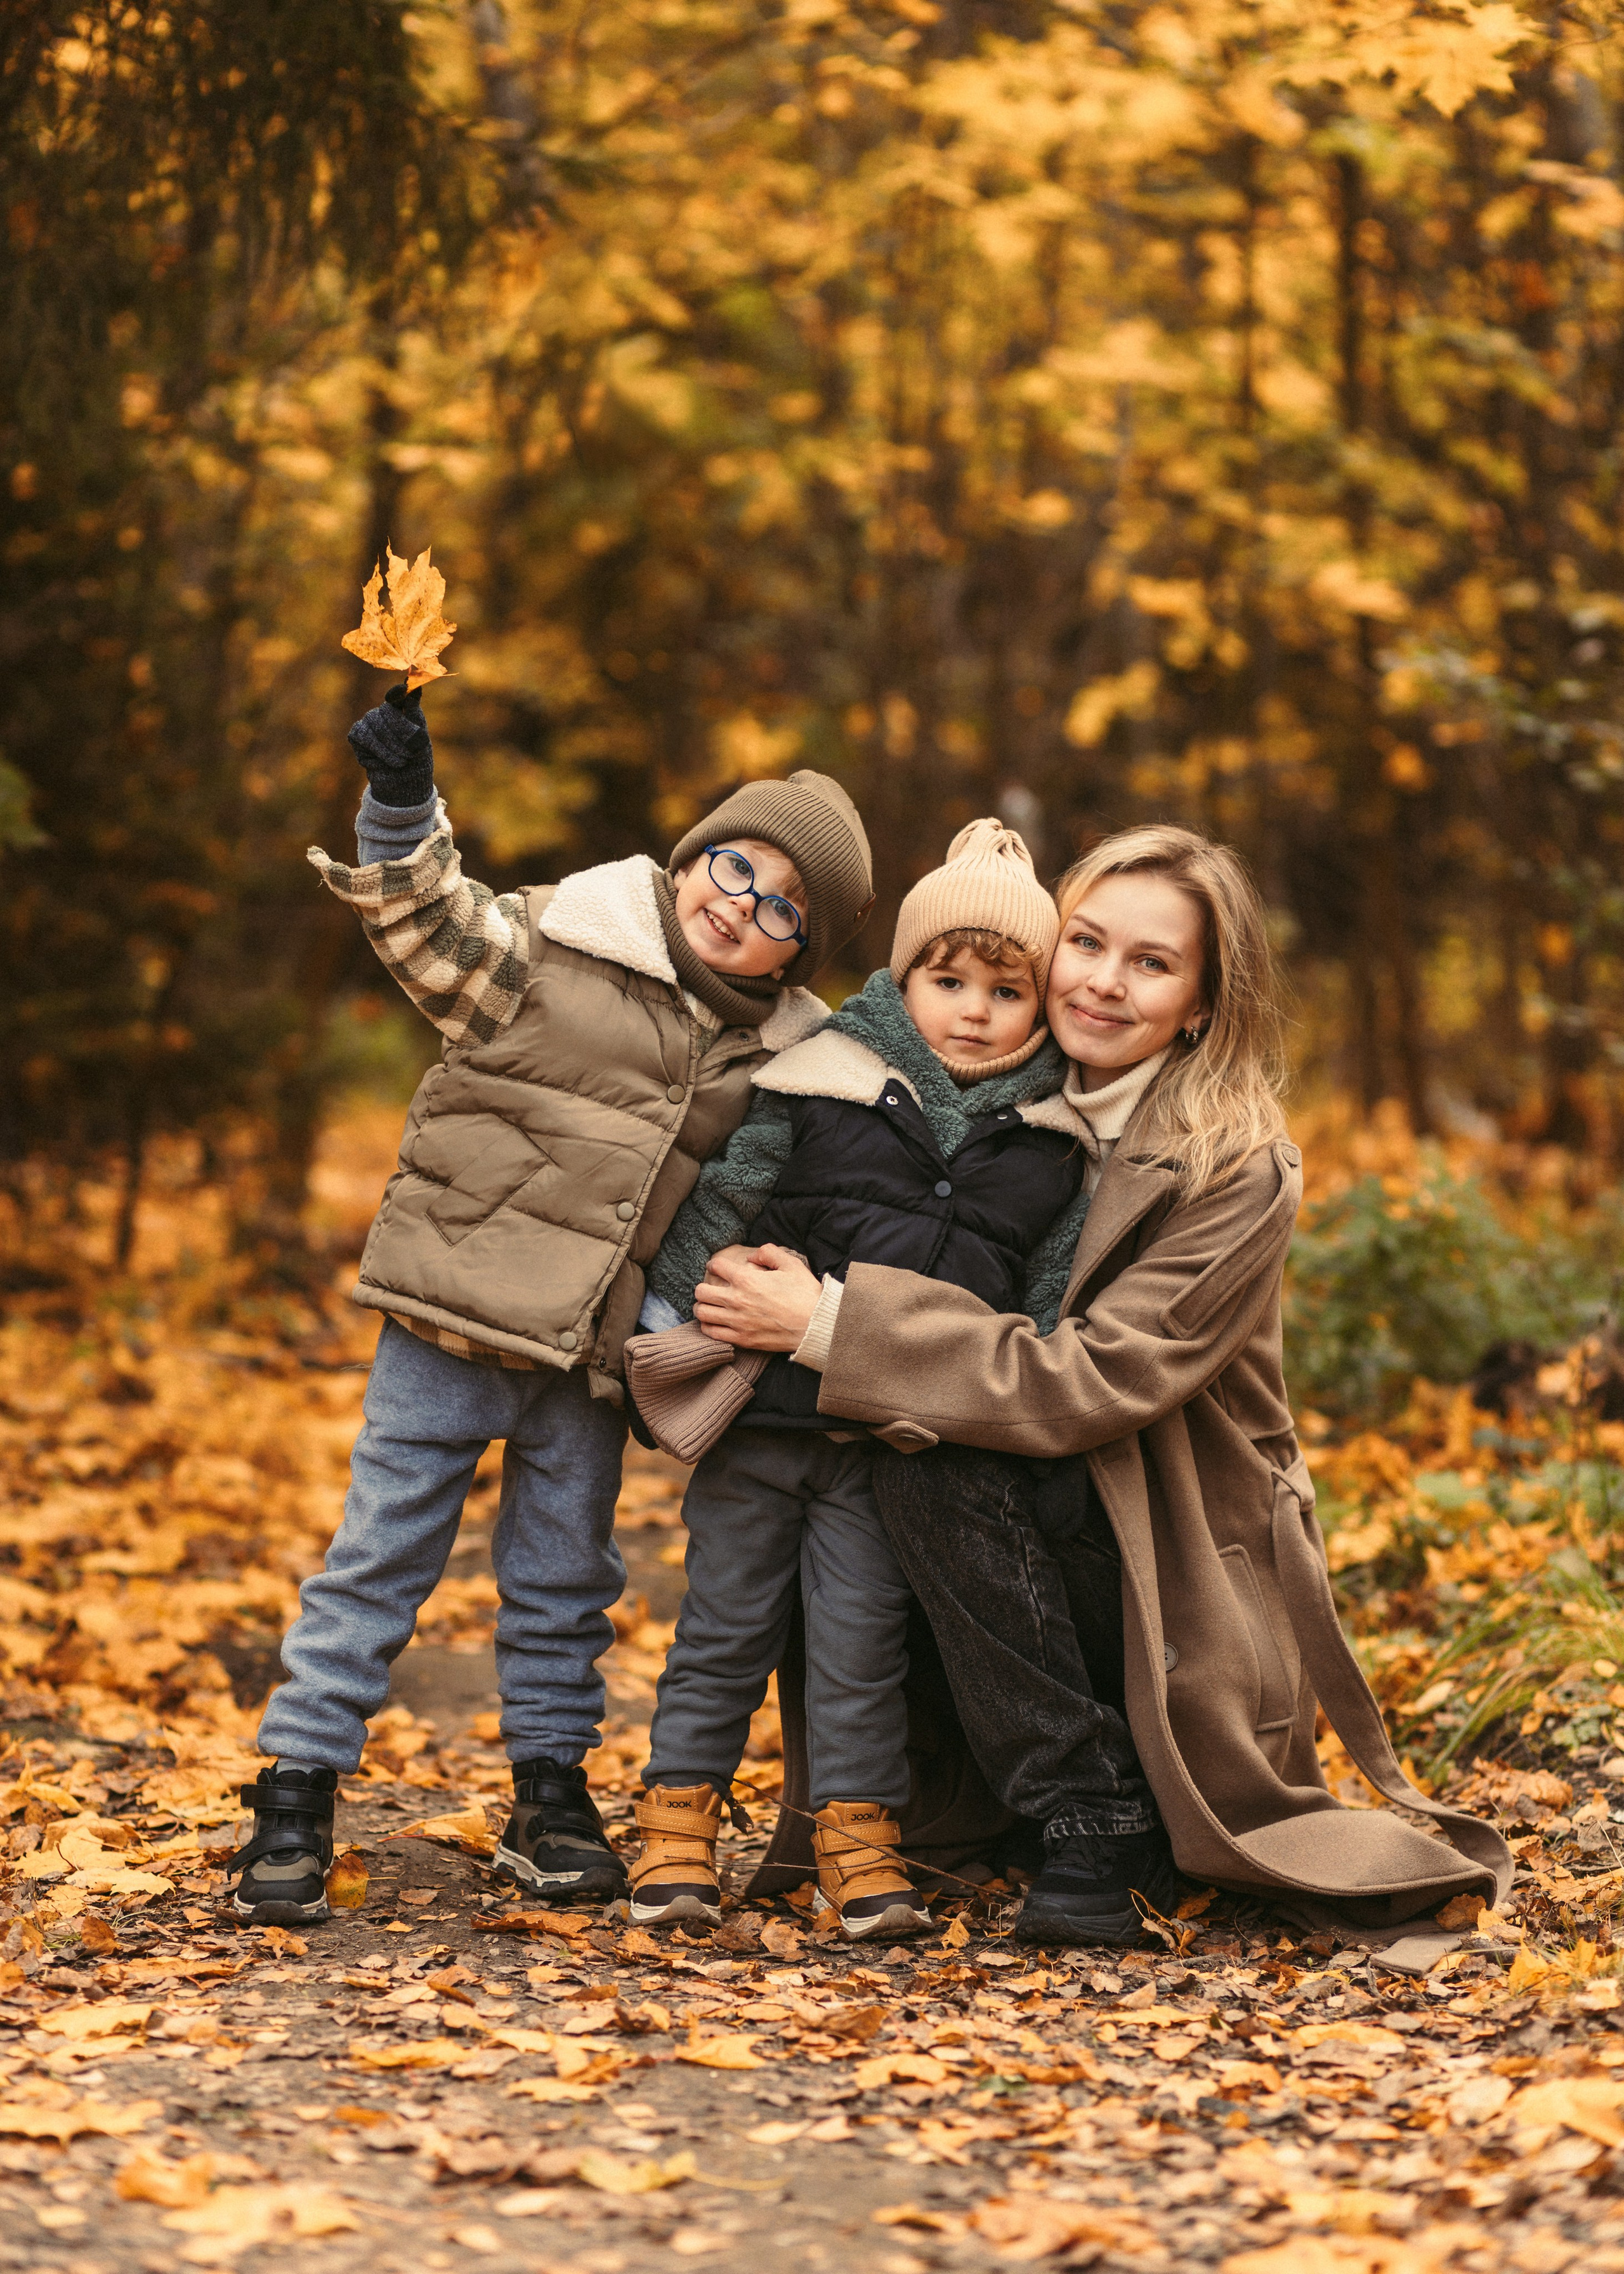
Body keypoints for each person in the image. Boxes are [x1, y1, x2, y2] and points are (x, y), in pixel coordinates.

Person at [693, 824, 1512, 1946]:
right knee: (865, 1453)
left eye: (1152, 964)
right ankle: (911, 1795)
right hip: (1023, 1518)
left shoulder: (1234, 1163)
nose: (1104, 984)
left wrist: (830, 1323)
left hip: (1153, 1543)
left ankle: (1102, 1809)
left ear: (1203, 1005)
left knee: (935, 1442)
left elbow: (1094, 1379)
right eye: (1086, 943)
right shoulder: (970, 1095)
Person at [226, 681, 874, 1926]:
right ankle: (297, 1783)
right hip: (449, 1314)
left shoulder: (775, 1060)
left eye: (780, 904)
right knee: (381, 1553)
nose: (739, 904)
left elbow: (780, 1190)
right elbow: (423, 920)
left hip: (585, 1353)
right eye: (732, 867)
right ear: (693, 856)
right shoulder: (556, 944)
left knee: (562, 1575)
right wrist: (402, 799)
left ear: (801, 948)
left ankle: (547, 1791)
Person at [624, 821, 1091, 1941]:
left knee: (861, 1645)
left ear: (1041, 1013)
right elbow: (725, 1202)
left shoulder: (1047, 1143)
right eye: (948, 979)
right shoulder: (823, 1081)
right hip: (764, 1426)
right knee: (723, 1628)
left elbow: (1052, 1293)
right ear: (903, 978)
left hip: (891, 1443)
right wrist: (671, 1324)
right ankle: (676, 1828)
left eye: (1004, 991)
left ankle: (858, 1842)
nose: (973, 1009)